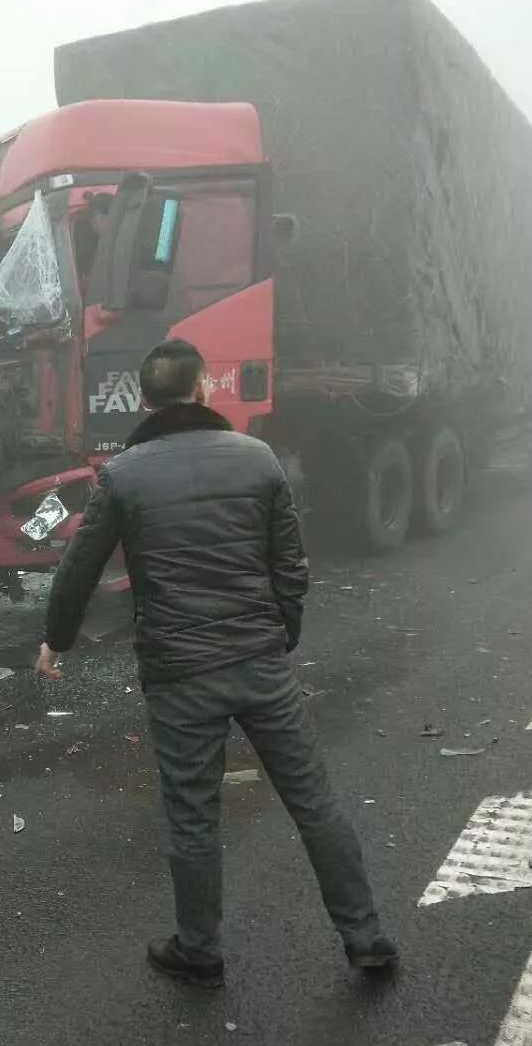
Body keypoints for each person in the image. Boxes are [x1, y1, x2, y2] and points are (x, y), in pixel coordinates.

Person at [36, 339, 397, 986]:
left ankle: (199, 949)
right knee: (314, 801)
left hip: (180, 674)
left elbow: (78, 568)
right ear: (205, 389)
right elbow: (290, 564)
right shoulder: (258, 460)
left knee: (193, 814)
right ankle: (365, 936)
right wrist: (279, 633)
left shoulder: (123, 475)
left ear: (144, 400)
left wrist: (56, 640)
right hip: (260, 661)